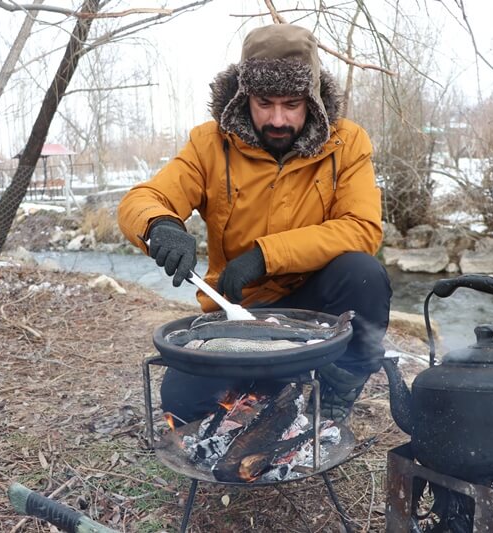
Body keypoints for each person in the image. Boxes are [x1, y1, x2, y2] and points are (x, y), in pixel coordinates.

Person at [118, 23, 391, 423]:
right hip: (237, 307)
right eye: (264, 102)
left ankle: (335, 392)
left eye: (292, 104)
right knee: (184, 404)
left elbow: (362, 227)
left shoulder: (346, 143)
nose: (277, 118)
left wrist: (266, 256)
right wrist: (160, 224)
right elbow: (141, 199)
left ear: (312, 100)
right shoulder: (209, 144)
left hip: (313, 299)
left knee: (364, 274)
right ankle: (278, 381)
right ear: (244, 96)